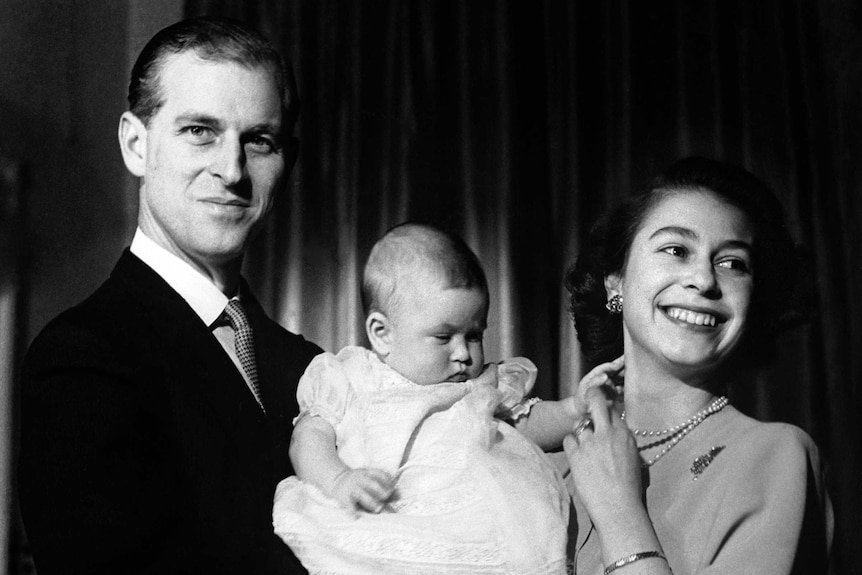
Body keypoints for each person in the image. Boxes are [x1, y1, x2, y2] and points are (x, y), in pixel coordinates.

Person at [17, 17, 321, 574]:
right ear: (136, 144)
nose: (232, 170)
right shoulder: (81, 359)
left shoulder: (311, 366)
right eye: (200, 131)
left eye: (259, 140)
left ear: (287, 162)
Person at [560, 157, 833, 574]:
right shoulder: (558, 456)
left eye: (732, 263)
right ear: (615, 281)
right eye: (676, 250)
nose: (705, 280)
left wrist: (619, 511)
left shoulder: (775, 458)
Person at [273, 223, 589, 574]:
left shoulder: (478, 386)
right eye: (443, 337)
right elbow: (308, 439)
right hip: (382, 520)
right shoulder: (351, 376)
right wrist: (338, 480)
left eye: (474, 335)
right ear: (382, 334)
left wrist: (573, 410)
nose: (463, 354)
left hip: (472, 531)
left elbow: (526, 426)